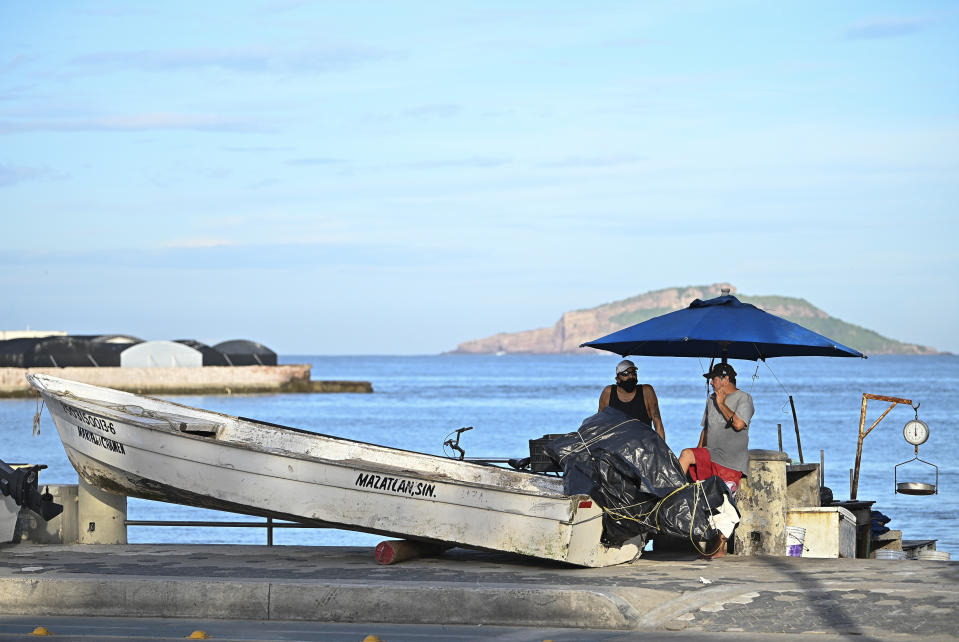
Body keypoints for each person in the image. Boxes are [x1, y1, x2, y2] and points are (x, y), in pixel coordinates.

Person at [678, 362, 754, 558]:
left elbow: (738, 424)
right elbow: (706, 429)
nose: (711, 383)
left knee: (723, 505)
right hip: (710, 455)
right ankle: (673, 493)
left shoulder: (744, 398)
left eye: (714, 379)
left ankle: (719, 550)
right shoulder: (710, 399)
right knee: (687, 454)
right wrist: (698, 449)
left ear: (726, 379)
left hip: (731, 462)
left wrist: (722, 404)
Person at [598, 359, 666, 440]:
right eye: (626, 374)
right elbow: (600, 425)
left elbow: (658, 424)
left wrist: (662, 450)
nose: (631, 376)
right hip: (616, 446)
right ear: (617, 379)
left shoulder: (647, 391)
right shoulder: (608, 392)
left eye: (633, 373)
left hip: (644, 446)